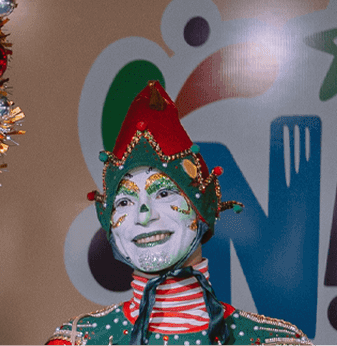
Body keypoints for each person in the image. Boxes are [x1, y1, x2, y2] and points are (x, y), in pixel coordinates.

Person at [49, 81, 309, 345]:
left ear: (202, 211)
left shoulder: (277, 342)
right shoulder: (76, 340)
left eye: (163, 193)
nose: (143, 215)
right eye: (125, 201)